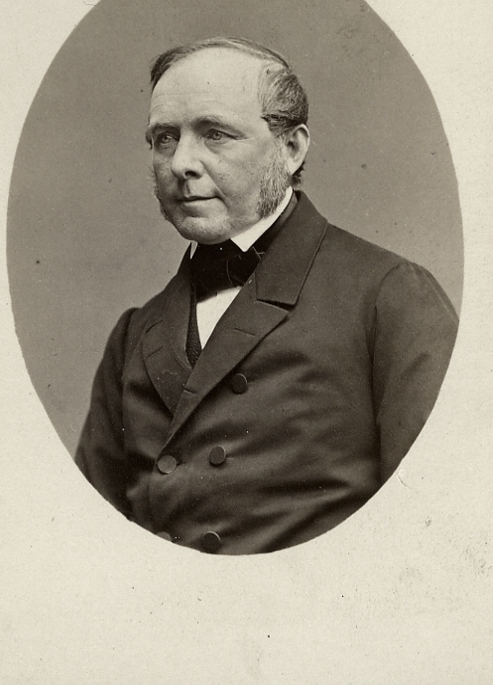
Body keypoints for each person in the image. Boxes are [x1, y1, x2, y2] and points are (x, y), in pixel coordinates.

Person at [75, 37, 458, 555]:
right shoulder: (133, 336)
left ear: (291, 149)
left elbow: (436, 525)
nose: (181, 162)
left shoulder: (390, 298)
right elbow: (87, 544)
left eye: (215, 134)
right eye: (164, 138)